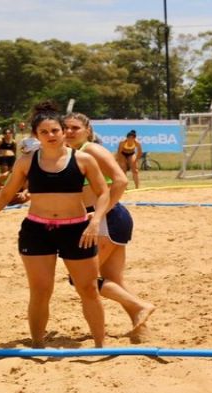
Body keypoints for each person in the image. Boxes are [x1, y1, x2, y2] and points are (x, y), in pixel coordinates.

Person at [0, 101, 110, 348]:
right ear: (36, 135)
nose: (51, 135)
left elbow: (103, 192)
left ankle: (101, 344)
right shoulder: (26, 161)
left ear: (63, 131)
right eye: (44, 132)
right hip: (37, 230)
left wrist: (95, 221)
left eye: (55, 130)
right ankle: (36, 344)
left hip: (77, 229)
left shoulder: (83, 159)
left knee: (87, 289)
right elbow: (4, 195)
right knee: (41, 291)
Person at [64, 113, 155, 335]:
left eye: (75, 128)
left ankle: (140, 306)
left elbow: (121, 181)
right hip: (109, 218)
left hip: (105, 219)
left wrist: (98, 214)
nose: (69, 132)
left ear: (87, 130)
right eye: (65, 128)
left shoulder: (91, 150)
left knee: (81, 279)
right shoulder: (72, 154)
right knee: (113, 280)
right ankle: (140, 328)